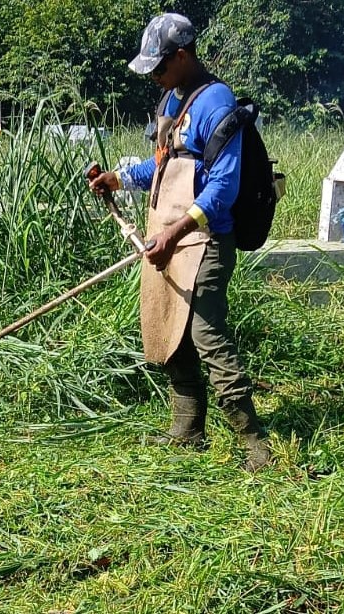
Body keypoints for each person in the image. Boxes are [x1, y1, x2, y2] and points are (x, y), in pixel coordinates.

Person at [89, 13, 271, 470]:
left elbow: (223, 188)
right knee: (172, 332)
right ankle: (187, 431)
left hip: (205, 240)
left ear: (183, 55)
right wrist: (119, 178)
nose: (153, 76)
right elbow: (164, 166)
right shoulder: (173, 99)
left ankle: (256, 446)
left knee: (207, 337)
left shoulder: (217, 103)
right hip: (168, 239)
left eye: (159, 66)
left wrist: (173, 234)